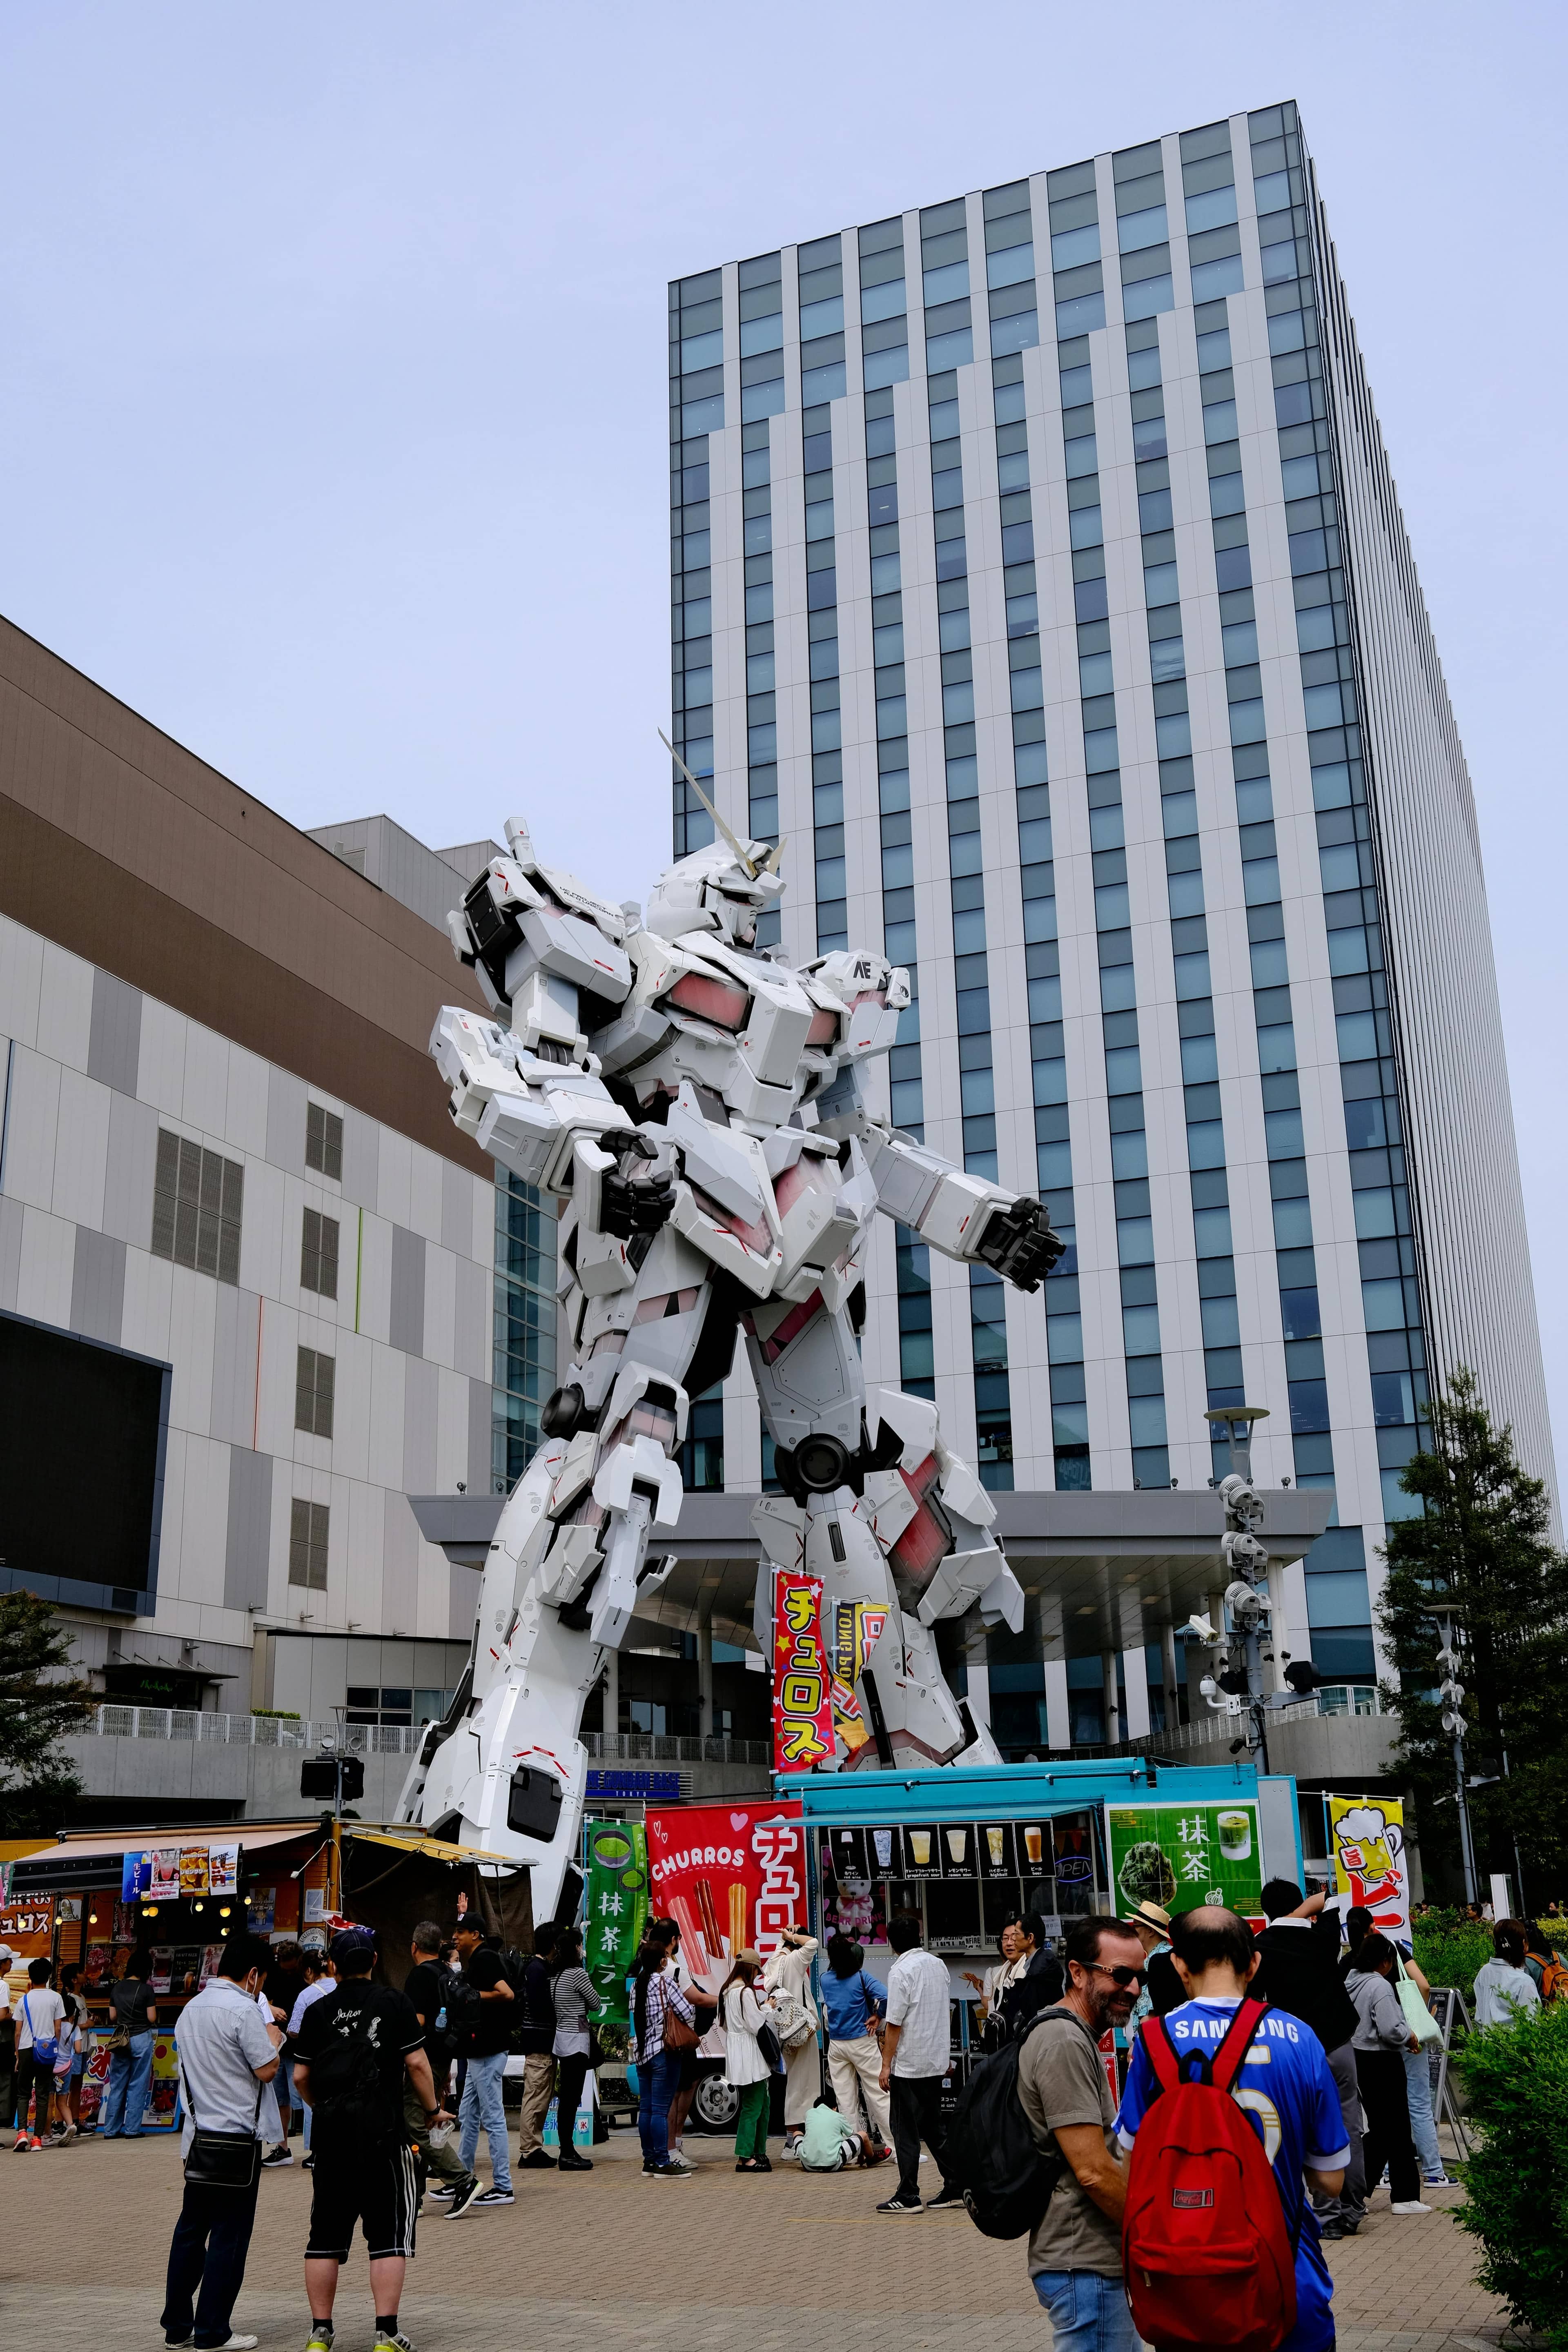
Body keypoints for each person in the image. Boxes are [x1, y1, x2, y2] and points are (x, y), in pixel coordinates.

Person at [1116, 1906, 1349, 2352]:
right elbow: (1331, 2181)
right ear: (1255, 1963)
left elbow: (1133, 2170)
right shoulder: (1302, 2038)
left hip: (1187, 2285)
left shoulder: (1153, 2040)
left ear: (1179, 1965)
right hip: (1288, 2278)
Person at [294, 1926, 441, 2352]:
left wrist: (321, 2105)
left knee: (324, 2238)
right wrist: (432, 2111)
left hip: (332, 2140)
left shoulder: (319, 2011)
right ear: (375, 1961)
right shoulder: (394, 2002)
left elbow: (302, 2075)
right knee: (388, 2237)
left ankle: (321, 2334)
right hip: (384, 2137)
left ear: (333, 1966)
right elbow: (416, 2064)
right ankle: (386, 2333)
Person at [1016, 1913, 1148, 2350]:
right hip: (1082, 2264)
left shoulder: (1074, 2035)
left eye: (1139, 1978)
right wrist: (1150, 2235)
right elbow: (1091, 2170)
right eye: (1121, 1975)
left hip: (1089, 2263)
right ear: (1077, 1972)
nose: (1132, 1989)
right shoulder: (1064, 2041)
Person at [160, 1933, 278, 2352]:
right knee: (230, 2236)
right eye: (262, 1979)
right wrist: (275, 2037)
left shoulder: (191, 2010)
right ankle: (213, 2331)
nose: (261, 1986)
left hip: (198, 2139)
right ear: (252, 1975)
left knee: (191, 2231)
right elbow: (267, 2070)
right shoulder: (244, 2011)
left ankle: (177, 2326)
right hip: (236, 2142)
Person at [1250, 1880, 1368, 2238]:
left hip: (1292, 2049)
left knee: (1301, 2126)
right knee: (1349, 2121)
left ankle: (1326, 2216)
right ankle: (1353, 2207)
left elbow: (1254, 2001)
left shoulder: (1259, 1948)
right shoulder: (1325, 1937)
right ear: (1302, 1906)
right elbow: (1330, 1901)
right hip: (1338, 2042)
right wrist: (1306, 1908)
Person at [876, 1911, 961, 2215]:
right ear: (919, 1936)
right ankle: (957, 2185)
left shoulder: (901, 1972)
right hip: (935, 2060)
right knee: (934, 2128)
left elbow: (895, 2024)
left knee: (905, 2130)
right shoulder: (938, 1965)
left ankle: (908, 2195)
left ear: (891, 1942)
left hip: (909, 2064)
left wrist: (886, 2065)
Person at [1345, 1931, 1429, 2215]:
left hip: (1359, 2057)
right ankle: (1399, 2196)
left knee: (1384, 2128)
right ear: (1385, 1962)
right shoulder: (1379, 1986)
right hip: (1382, 2059)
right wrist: (1410, 2036)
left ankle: (1358, 2191)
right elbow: (1391, 2028)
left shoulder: (1351, 1982)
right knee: (1394, 2128)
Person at [402, 1922, 481, 2219]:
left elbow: (418, 2021)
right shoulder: (448, 1973)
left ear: (414, 1946)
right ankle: (415, 2197)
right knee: (421, 2125)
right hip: (442, 2059)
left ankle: (463, 2181)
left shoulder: (419, 1976)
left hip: (421, 2061)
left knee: (414, 2126)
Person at [450, 1918, 515, 2208]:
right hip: (478, 2051)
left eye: (460, 1932)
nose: (455, 1937)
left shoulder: (486, 1957)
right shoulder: (476, 1959)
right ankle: (462, 2181)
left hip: (489, 2050)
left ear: (475, 1935)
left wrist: (475, 1995)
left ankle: (503, 2186)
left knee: (493, 2119)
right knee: (467, 2117)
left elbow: (507, 1993)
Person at [630, 1929, 695, 2179]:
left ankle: (649, 2160)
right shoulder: (666, 1983)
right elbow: (688, 2013)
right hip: (664, 2053)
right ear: (663, 1961)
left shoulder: (637, 1985)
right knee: (660, 2110)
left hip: (642, 2053)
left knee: (646, 2109)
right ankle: (662, 2161)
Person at [820, 1933, 891, 2151]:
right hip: (863, 2041)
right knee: (879, 2095)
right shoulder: (861, 1978)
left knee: (845, 2101)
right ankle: (896, 2148)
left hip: (837, 2046)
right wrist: (878, 2015)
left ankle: (853, 2149)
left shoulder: (824, 1979)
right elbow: (887, 1996)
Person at [763, 1921, 821, 2157]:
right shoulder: (795, 1961)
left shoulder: (777, 1961)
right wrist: (795, 1937)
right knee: (803, 2085)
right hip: (802, 2031)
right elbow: (814, 1944)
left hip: (787, 2032)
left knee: (797, 2083)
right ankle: (792, 2142)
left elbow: (781, 1951)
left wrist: (786, 1938)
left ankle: (794, 2138)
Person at [550, 1922, 604, 2171]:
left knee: (566, 2098)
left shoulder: (555, 1975)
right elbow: (594, 2003)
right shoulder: (577, 1974)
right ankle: (568, 2153)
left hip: (561, 2039)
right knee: (572, 2099)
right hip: (578, 2040)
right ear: (576, 1947)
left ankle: (567, 2149)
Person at [720, 1948, 773, 2173]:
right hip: (750, 2052)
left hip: (737, 2052)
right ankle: (746, 2155)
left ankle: (755, 2151)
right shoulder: (746, 1993)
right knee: (755, 2105)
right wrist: (767, 2008)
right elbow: (755, 2024)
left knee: (760, 2103)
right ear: (751, 1969)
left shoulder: (727, 1992)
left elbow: (723, 2024)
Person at [100, 1944, 158, 2139]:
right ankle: (132, 2129)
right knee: (138, 2083)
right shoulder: (147, 1990)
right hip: (141, 2037)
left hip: (121, 2039)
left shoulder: (117, 1988)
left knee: (118, 2084)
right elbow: (151, 2018)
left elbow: (113, 2016)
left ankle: (110, 2130)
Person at [515, 1922, 558, 2170]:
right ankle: (530, 2150)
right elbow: (543, 2006)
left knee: (540, 2095)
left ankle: (533, 2147)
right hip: (540, 2042)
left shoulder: (537, 1967)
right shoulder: (538, 1969)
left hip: (540, 2041)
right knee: (536, 2096)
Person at [286, 1953, 336, 2165]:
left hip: (317, 2058)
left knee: (314, 2105)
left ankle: (317, 2151)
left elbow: (294, 2030)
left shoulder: (307, 1995)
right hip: (343, 2056)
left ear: (308, 1971)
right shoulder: (340, 1986)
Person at [13, 1958, 65, 2150]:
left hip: (27, 2049)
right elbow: (58, 2028)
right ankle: (37, 2139)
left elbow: (18, 2031)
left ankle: (22, 2133)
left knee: (23, 2092)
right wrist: (54, 2048)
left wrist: (18, 2054)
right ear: (49, 1976)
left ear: (30, 1977)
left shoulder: (24, 2000)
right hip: (47, 2050)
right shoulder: (56, 1998)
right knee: (44, 2093)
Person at [999, 1910, 1066, 2039]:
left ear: (1030, 1938)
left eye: (1016, 1935)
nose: (1013, 1940)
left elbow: (1032, 2013)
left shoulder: (1039, 1972)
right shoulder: (1037, 1964)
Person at [1472, 1921, 1543, 2029]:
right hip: (1516, 2044)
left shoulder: (1485, 1972)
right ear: (1524, 1944)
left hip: (1487, 2043)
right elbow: (1533, 2024)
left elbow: (1479, 2018)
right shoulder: (1524, 1981)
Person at [1124, 1898, 1176, 2029]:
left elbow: (1151, 2009)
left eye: (1136, 1925)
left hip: (1151, 2030)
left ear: (1151, 1931)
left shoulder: (1160, 1959)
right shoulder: (1159, 1955)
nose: (1133, 1929)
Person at [799, 2092, 876, 2172]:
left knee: (797, 2134)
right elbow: (851, 2135)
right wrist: (861, 2156)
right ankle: (872, 2159)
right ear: (835, 2108)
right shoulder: (838, 2116)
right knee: (863, 2135)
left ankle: (791, 2150)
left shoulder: (809, 2113)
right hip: (833, 2164)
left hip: (808, 2165)